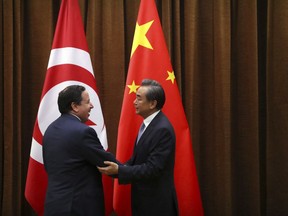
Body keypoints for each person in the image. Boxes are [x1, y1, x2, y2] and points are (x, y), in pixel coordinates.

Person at [98, 79, 179, 216]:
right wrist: (116, 170)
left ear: (152, 103)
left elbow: (153, 168)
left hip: (156, 205)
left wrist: (120, 170)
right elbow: (138, 160)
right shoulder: (148, 125)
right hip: (144, 202)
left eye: (139, 99)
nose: (134, 102)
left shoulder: (162, 129)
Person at [42, 85, 117, 216]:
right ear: (75, 106)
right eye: (87, 102)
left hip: (55, 205)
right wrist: (133, 171)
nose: (92, 106)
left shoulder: (50, 129)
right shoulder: (83, 132)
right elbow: (107, 163)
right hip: (79, 208)